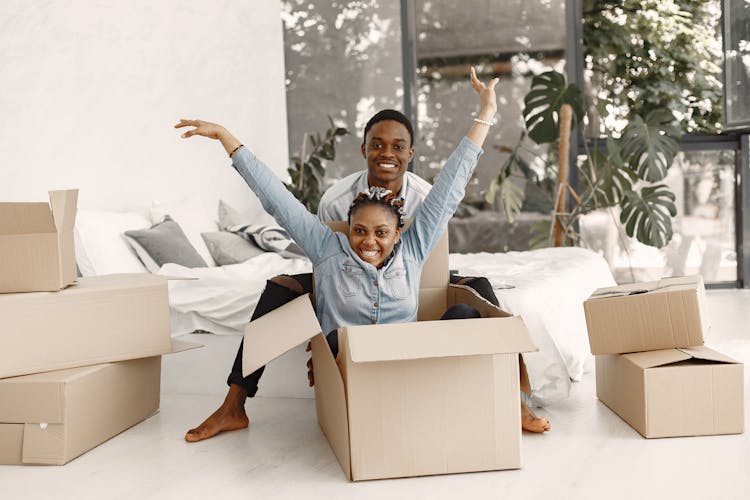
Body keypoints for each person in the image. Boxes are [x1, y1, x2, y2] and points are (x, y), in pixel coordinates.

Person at [176, 68, 551, 441]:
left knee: (470, 306)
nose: (369, 242)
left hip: (404, 345)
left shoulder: (415, 241)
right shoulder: (329, 238)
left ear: (398, 232)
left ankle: (511, 399)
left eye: (381, 233)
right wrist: (228, 140)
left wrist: (486, 112)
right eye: (359, 231)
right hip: (349, 343)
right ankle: (234, 405)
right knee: (291, 294)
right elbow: (277, 200)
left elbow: (454, 181)